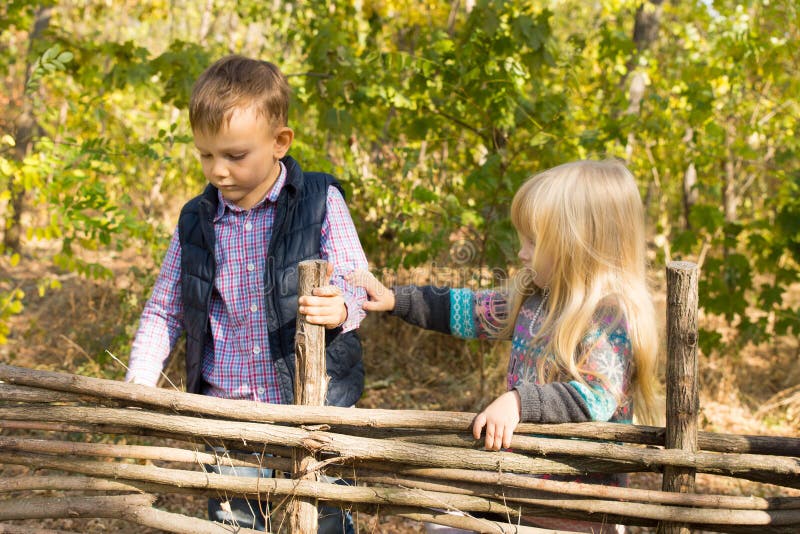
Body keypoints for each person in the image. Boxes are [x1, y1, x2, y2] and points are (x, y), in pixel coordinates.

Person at [350, 159, 660, 533]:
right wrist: (397, 299)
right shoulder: (535, 299)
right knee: (441, 528)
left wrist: (518, 402)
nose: (522, 253)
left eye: (534, 241)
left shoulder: (610, 318)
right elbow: (468, 309)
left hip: (577, 514)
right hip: (517, 493)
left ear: (577, 246)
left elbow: (596, 397)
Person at [125, 54, 367, 533]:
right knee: (237, 522)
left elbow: (358, 282)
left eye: (234, 155)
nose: (217, 170)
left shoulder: (320, 201)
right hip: (229, 413)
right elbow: (164, 309)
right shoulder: (197, 220)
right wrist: (138, 381)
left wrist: (341, 305)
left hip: (313, 408)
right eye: (205, 154)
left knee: (326, 519)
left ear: (280, 143)